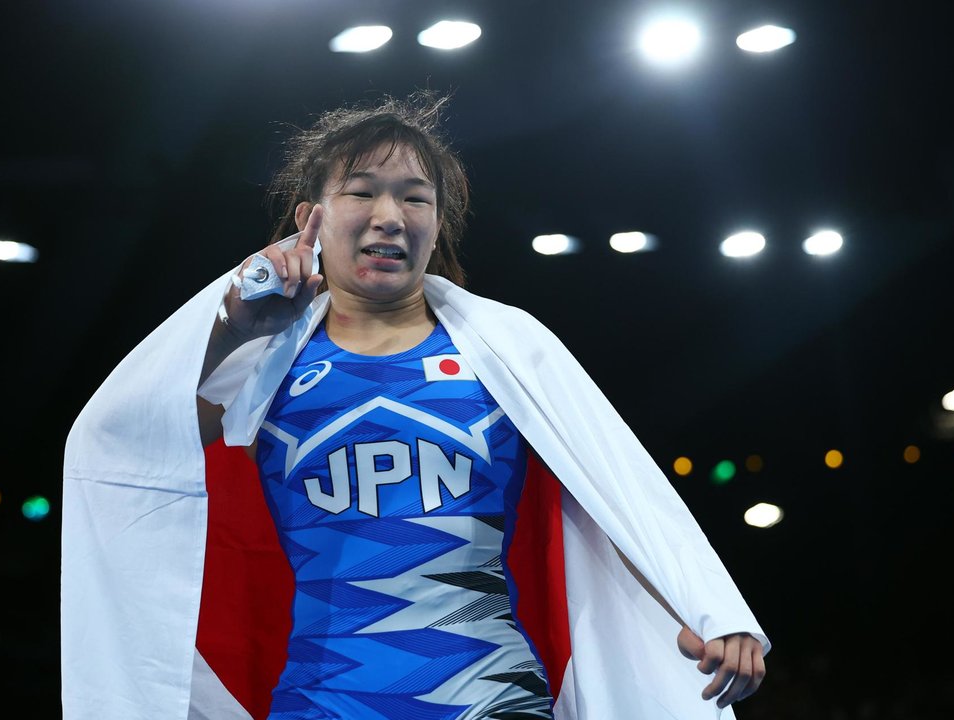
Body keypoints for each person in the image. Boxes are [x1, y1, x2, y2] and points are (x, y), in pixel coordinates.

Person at [61, 90, 769, 720]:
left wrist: (704, 605)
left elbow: (615, 491)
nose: (390, 216)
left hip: (489, 696)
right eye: (362, 192)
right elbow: (135, 453)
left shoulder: (511, 349)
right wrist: (231, 327)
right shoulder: (262, 359)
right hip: (324, 698)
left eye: (415, 197)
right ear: (311, 219)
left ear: (438, 222)